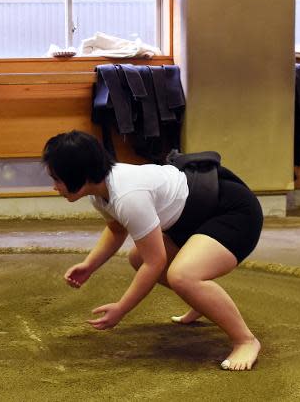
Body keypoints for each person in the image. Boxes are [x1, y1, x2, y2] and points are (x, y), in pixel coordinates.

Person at [42, 130, 263, 371]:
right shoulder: (100, 191)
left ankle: (245, 340)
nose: (54, 187)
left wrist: (121, 309)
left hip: (232, 212)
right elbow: (117, 231)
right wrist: (90, 265)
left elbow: (155, 262)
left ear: (79, 175)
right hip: (194, 217)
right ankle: (203, 301)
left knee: (183, 275)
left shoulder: (127, 195)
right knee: (137, 257)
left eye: (57, 179)